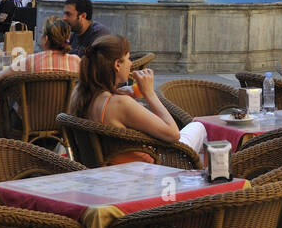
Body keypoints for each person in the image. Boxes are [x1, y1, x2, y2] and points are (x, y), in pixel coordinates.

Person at [69, 35, 205, 155]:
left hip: (108, 167)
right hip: (150, 168)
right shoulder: (120, 104)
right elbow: (173, 134)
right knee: (199, 127)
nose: (131, 63)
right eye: (128, 58)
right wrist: (149, 93)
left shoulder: (79, 93)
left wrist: (120, 92)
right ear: (117, 64)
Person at [0, 17, 79, 82]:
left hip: (32, 106)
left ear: (46, 39)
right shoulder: (76, 61)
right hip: (66, 106)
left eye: (42, 33)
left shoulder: (31, 60)